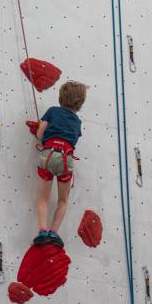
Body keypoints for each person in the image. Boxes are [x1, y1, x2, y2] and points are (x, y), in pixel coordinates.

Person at [33, 80, 88, 248]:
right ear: (80, 102)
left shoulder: (52, 111)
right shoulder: (77, 122)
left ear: (61, 97)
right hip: (65, 159)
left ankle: (42, 231)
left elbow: (40, 133)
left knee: (43, 198)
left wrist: (41, 134)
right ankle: (53, 233)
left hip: (48, 154)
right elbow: (74, 140)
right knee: (63, 200)